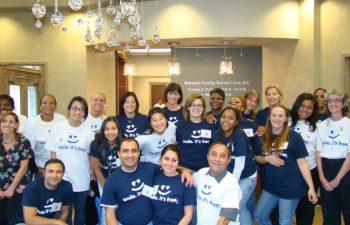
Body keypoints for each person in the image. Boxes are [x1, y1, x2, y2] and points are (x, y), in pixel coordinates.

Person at [101, 138, 192, 225]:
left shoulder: (149, 168)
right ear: (118, 154)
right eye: (125, 151)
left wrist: (185, 171)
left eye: (133, 150)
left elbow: (168, 167)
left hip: (150, 223)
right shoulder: (111, 181)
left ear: (139, 153)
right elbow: (109, 214)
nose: (130, 155)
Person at [254, 104, 318, 225]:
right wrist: (267, 158)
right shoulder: (263, 136)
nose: (276, 118)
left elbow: (303, 163)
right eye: (274, 115)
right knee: (259, 216)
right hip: (271, 187)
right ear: (269, 117)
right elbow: (258, 157)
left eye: (280, 116)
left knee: (284, 221)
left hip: (291, 188)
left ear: (285, 119)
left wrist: (311, 187)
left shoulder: (294, 137)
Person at [45, 96, 94, 225]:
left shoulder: (89, 132)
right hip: (61, 179)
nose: (77, 112)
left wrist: (91, 175)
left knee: (80, 212)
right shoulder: (57, 128)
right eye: (75, 108)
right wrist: (54, 176)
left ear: (85, 113)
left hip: (81, 179)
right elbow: (53, 154)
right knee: (61, 213)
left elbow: (90, 157)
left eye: (82, 110)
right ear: (68, 110)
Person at [213, 107, 257, 225]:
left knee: (235, 205)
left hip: (246, 177)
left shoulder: (239, 135)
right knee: (240, 208)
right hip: (230, 176)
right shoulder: (217, 134)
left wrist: (231, 185)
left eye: (231, 118)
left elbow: (240, 165)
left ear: (236, 122)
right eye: (224, 117)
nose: (226, 120)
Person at [316, 89, 350, 225]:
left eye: (337, 100)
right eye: (330, 100)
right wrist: (321, 178)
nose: (333, 103)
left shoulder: (348, 124)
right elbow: (318, 153)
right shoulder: (322, 126)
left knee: (348, 211)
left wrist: (338, 179)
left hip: (345, 170)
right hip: (326, 168)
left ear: (343, 104)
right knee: (329, 214)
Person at [193, 142, 242, 225]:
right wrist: (184, 172)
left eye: (222, 156)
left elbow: (225, 220)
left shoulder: (232, 185)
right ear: (208, 157)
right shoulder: (201, 173)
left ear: (228, 160)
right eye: (213, 154)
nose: (217, 159)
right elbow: (190, 175)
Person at [290, 93, 320, 225]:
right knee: (286, 211)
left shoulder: (317, 127)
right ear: (297, 105)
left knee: (306, 213)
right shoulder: (287, 122)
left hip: (311, 172)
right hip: (290, 172)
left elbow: (318, 152)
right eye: (302, 106)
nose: (305, 110)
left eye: (309, 107)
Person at [0, 111, 33, 225]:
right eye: (4, 121)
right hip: (1, 184)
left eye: (11, 122)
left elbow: (23, 167)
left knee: (10, 217)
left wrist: (11, 189)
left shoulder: (23, 142)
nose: (7, 124)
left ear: (16, 125)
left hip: (18, 184)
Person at [89, 116, 123, 225]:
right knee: (106, 209)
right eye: (107, 129)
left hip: (121, 181)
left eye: (113, 128)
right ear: (103, 131)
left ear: (118, 129)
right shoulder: (96, 144)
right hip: (103, 180)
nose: (110, 132)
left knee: (120, 207)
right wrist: (106, 186)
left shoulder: (124, 142)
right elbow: (96, 169)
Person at [151, 144, 196, 225]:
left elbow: (188, 215)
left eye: (174, 160)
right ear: (161, 159)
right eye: (166, 159)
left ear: (178, 162)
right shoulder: (153, 177)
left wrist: (185, 171)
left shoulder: (186, 182)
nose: (169, 163)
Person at [20, 159, 74, 225]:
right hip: (24, 222)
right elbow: (29, 220)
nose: (54, 175)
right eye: (50, 171)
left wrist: (59, 222)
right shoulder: (32, 189)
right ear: (44, 173)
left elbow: (64, 212)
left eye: (59, 172)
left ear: (63, 174)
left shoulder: (66, 187)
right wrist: (57, 222)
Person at [24, 94, 66, 173]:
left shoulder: (62, 120)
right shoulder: (32, 124)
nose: (48, 105)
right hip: (41, 168)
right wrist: (36, 169)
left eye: (51, 103)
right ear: (40, 106)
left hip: (60, 167)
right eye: (45, 103)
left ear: (55, 106)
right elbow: (28, 149)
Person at [176, 93, 216, 172]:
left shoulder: (210, 125)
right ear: (188, 107)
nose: (196, 108)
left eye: (199, 105)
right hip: (185, 170)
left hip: (205, 170)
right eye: (193, 105)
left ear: (203, 108)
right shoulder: (180, 126)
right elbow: (175, 147)